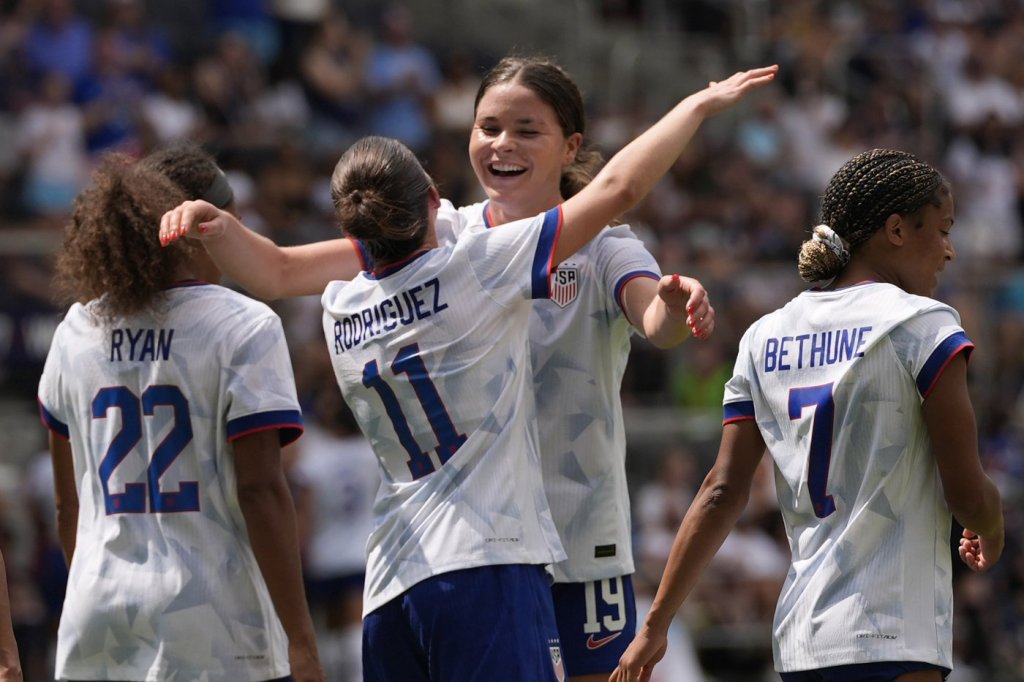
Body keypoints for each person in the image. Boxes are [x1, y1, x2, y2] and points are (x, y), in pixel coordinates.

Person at [161, 65, 778, 682]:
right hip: (487, 547)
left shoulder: (605, 246)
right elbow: (278, 271)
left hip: (579, 538)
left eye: (526, 130)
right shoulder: (446, 237)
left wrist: (672, 307)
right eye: (488, 127)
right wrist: (697, 107)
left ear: (570, 146)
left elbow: (655, 324)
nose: (503, 143)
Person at [611, 148, 1006, 682]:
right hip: (893, 634)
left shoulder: (764, 335)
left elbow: (720, 492)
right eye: (942, 230)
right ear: (896, 230)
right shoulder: (924, 325)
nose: (950, 250)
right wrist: (992, 523)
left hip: (802, 644)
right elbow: (966, 494)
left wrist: (655, 625)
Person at [36, 150, 324, 682]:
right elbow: (260, 490)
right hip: (215, 616)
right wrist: (301, 640)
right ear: (196, 228)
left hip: (97, 616)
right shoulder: (244, 324)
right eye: (233, 221)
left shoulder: (74, 332)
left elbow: (66, 504)